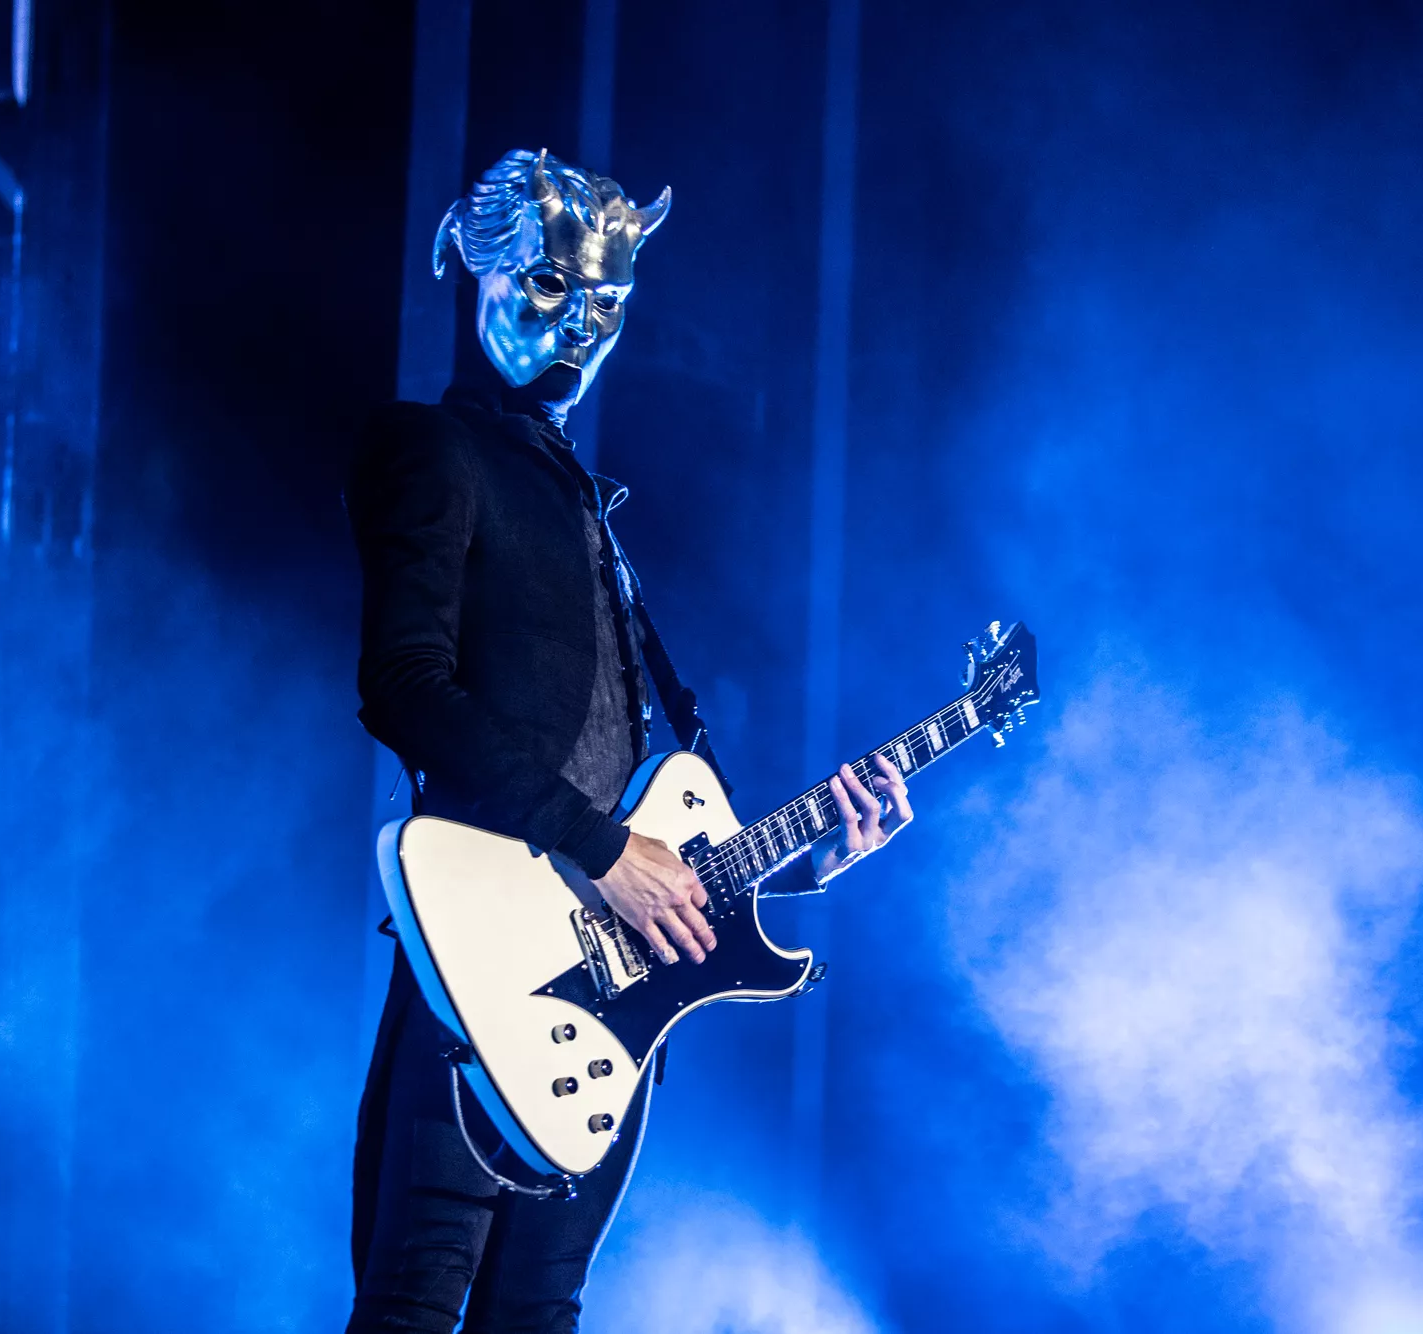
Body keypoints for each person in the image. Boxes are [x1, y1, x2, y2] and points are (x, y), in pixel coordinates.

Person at [341, 148, 912, 1333]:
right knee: (412, 1306)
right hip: (487, 958)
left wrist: (802, 860)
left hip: (610, 996)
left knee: (540, 1314)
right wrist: (600, 850)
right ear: (474, 265)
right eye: (551, 286)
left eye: (606, 302)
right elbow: (403, 685)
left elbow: (647, 803)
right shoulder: (433, 449)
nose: (581, 327)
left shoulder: (584, 501)